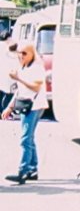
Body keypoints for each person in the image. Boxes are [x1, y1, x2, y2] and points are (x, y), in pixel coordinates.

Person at [3, 44, 48, 185]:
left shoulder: (37, 68)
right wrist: (9, 107)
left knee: (25, 139)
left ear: (32, 54)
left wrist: (18, 78)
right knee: (29, 138)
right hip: (26, 105)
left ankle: (22, 172)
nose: (21, 56)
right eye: (19, 53)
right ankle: (32, 169)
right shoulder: (23, 67)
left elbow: (36, 86)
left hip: (35, 106)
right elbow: (19, 91)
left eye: (24, 53)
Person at [0, 32, 16, 111]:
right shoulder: (8, 46)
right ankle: (4, 110)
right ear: (8, 38)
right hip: (7, 73)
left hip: (3, 73)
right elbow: (13, 58)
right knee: (8, 93)